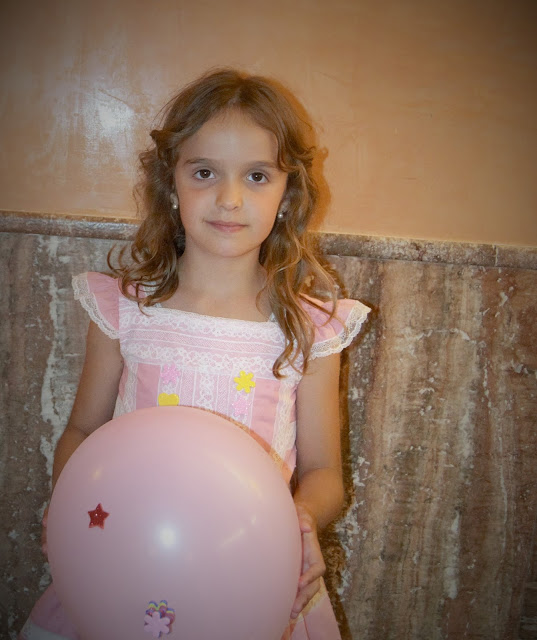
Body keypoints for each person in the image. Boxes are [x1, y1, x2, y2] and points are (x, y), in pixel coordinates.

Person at [20, 68, 370, 640]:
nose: (229, 199)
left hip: (254, 581)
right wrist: (68, 505)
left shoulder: (309, 328)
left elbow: (324, 471)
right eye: (204, 172)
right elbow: (81, 430)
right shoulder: (125, 309)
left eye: (257, 175)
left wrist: (301, 520)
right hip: (122, 568)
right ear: (171, 183)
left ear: (287, 194)